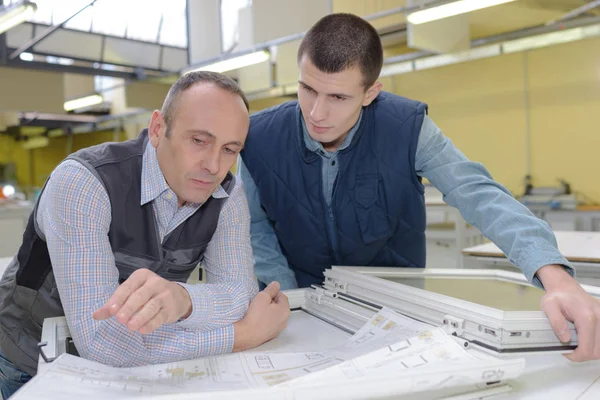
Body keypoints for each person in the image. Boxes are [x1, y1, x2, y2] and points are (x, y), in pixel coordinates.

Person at [238, 13, 600, 362]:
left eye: (337, 98)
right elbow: (254, 226)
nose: (316, 112)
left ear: (370, 93)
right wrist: (284, 295)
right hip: (302, 308)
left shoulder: (407, 128)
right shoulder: (258, 139)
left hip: (398, 308)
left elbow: (477, 192)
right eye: (307, 89)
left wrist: (555, 276)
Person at [0, 71, 290, 399]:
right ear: (157, 129)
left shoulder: (227, 194)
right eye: (199, 140)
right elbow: (102, 343)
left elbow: (241, 296)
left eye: (229, 149)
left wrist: (185, 300)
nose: (213, 165)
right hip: (33, 358)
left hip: (143, 363)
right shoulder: (83, 183)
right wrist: (243, 335)